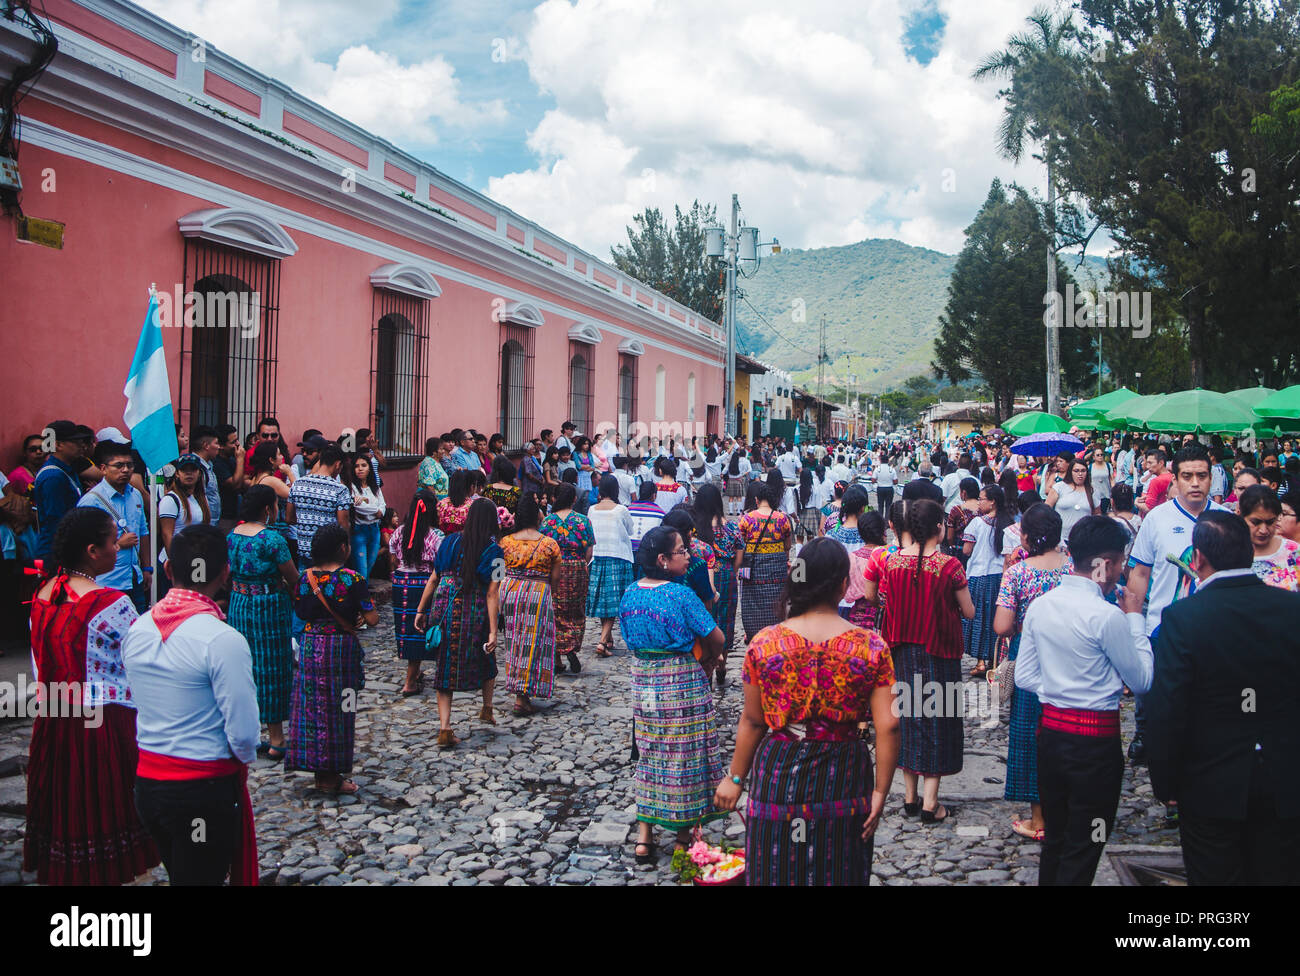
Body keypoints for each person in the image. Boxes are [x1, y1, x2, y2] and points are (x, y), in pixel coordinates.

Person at [714, 537, 898, 885]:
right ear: (844, 585)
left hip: (781, 769)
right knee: (840, 865)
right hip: (844, 769)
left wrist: (735, 779)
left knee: (776, 863)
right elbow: (888, 725)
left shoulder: (765, 644)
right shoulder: (871, 645)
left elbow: (753, 720)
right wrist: (880, 793)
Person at [1144, 510, 1300, 883]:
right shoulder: (1291, 609)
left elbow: (1168, 708)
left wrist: (1165, 781)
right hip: (1285, 776)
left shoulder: (1184, 617)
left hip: (1211, 782)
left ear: (1196, 559)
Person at [1015, 517, 1153, 885]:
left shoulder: (1042, 607)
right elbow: (1142, 681)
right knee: (1087, 841)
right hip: (1094, 745)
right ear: (1106, 565)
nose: (1123, 570)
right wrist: (1136, 620)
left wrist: (1058, 687)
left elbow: (1025, 676)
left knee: (1057, 836)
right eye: (1122, 562)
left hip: (1052, 738)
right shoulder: (1108, 617)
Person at [25, 507, 159, 884]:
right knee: (101, 797)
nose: (118, 547)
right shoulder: (111, 604)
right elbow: (141, 662)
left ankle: (70, 870)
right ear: (92, 551)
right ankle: (106, 872)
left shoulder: (43, 593)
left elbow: (40, 658)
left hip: (53, 714)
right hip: (102, 720)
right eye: (113, 541)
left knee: (64, 793)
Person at [125, 523, 260, 885]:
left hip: (149, 783)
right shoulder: (221, 639)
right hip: (201, 788)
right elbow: (245, 733)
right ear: (225, 573)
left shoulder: (137, 630)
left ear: (168, 570)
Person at [863, 499, 974, 824]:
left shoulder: (891, 564)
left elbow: (873, 596)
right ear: (938, 528)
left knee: (908, 720)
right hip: (939, 653)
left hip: (900, 653)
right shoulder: (950, 566)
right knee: (938, 721)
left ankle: (909, 798)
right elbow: (968, 611)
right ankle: (930, 802)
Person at [620, 526, 728, 862]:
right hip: (681, 683)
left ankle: (645, 836)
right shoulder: (681, 595)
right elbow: (718, 637)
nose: (688, 555)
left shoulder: (629, 594)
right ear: (663, 559)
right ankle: (683, 836)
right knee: (684, 754)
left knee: (650, 752)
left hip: (645, 684)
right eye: (681, 550)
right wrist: (711, 656)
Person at [1125, 443, 1226, 762]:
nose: (1195, 483)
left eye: (1201, 476)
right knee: (1159, 696)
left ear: (1211, 478)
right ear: (1176, 479)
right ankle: (1150, 738)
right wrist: (1134, 620)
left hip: (1214, 629)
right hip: (1163, 627)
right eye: (1187, 476)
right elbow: (1140, 573)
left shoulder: (1226, 520)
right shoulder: (1157, 519)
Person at [993, 504, 1071, 841]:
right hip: (1070, 654)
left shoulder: (1018, 572)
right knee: (1067, 726)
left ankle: (1038, 820)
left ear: (1025, 536)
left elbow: (1001, 625)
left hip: (1031, 654)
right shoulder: (1074, 569)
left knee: (1030, 731)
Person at [286, 525, 378, 793]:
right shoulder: (352, 580)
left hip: (311, 646)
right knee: (342, 709)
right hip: (340, 651)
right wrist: (359, 617)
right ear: (342, 549)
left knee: (313, 708)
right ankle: (333, 776)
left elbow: (301, 613)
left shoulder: (304, 579)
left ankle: (318, 772)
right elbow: (372, 618)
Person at [415, 498, 501, 745]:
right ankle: (487, 708)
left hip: (444, 605)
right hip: (474, 608)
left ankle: (445, 727)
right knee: (486, 654)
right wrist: (494, 630)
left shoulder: (447, 541)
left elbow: (433, 578)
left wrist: (421, 610)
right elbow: (493, 592)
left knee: (444, 662)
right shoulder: (495, 552)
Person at [224, 484, 298, 760]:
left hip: (239, 604)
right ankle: (277, 737)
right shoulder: (271, 540)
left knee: (245, 666)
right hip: (268, 606)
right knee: (272, 667)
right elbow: (292, 578)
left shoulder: (232, 536)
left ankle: (249, 733)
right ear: (268, 509)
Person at [499, 494, 562, 716]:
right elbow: (555, 578)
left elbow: (497, 574)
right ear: (538, 516)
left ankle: (519, 692)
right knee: (535, 642)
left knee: (515, 642)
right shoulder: (550, 545)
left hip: (511, 591)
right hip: (539, 592)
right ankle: (524, 693)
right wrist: (548, 595)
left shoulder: (505, 543)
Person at [77, 439, 151, 613]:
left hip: (134, 578)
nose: (125, 470)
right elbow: (83, 544)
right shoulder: (92, 500)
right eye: (118, 465)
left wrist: (147, 568)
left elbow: (143, 531)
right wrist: (118, 544)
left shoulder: (135, 495)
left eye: (129, 465)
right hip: (106, 582)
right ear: (103, 469)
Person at [389, 489, 444, 696]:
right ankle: (410, 682)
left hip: (401, 583)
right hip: (425, 585)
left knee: (407, 631)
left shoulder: (398, 532)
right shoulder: (436, 536)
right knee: (421, 629)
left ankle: (415, 672)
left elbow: (394, 559)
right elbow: (440, 566)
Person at [540, 483, 593, 676]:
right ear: (573, 499)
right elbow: (589, 550)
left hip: (555, 568)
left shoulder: (547, 522)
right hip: (577, 567)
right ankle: (571, 645)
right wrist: (580, 563)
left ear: (554, 498)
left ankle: (557, 657)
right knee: (576, 610)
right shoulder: (582, 521)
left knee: (555, 610)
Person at [693, 484, 742, 686]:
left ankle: (707, 665)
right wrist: (729, 569)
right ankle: (722, 665)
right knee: (726, 620)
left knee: (705, 619)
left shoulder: (696, 528)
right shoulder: (731, 527)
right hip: (727, 574)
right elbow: (739, 557)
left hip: (701, 574)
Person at [962, 484, 1012, 678]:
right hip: (1000, 575)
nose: (979, 502)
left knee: (979, 619)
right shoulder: (1009, 523)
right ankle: (994, 659)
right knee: (994, 618)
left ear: (992, 502)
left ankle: (981, 661)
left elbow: (967, 550)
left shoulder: (977, 524)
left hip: (979, 575)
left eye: (982, 499)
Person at [738, 482, 794, 644]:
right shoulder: (783, 519)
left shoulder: (746, 519)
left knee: (752, 602)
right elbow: (788, 546)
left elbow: (741, 545)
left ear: (757, 500)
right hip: (776, 568)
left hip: (753, 568)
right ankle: (777, 630)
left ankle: (753, 633)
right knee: (776, 599)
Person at [586, 474, 635, 656]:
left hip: (597, 556)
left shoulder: (591, 510)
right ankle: (602, 640)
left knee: (603, 599)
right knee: (614, 600)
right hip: (618, 556)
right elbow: (630, 530)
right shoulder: (621, 510)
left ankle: (607, 638)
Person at [286, 444, 351, 571]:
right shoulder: (340, 489)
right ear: (338, 464)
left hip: (304, 550)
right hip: (330, 554)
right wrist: (346, 547)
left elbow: (289, 518)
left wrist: (308, 521)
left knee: (307, 587)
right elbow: (343, 525)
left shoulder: (297, 484)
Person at [33, 420, 88, 559]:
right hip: (56, 552)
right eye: (75, 442)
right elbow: (56, 521)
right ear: (58, 445)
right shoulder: (53, 477)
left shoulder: (67, 470)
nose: (82, 445)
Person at [157, 454, 211, 584]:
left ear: (199, 474)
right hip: (176, 561)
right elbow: (166, 535)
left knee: (196, 599)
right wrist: (176, 565)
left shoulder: (201, 499)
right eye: (184, 470)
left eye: (193, 470)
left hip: (196, 561)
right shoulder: (170, 500)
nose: (189, 473)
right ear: (177, 474)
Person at [1236, 484, 1300, 591]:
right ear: (1241, 517)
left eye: (1270, 522)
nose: (1263, 530)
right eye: (1256, 522)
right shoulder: (1230, 551)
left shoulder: (1294, 552)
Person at [247, 440, 294, 557]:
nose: (282, 457)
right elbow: (297, 494)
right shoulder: (270, 480)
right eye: (279, 454)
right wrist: (290, 473)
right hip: (273, 530)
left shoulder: (256, 477)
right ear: (271, 460)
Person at [343, 453, 385, 579]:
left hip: (375, 531)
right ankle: (361, 598)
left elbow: (383, 507)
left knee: (370, 566)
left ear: (369, 468)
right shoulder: (351, 488)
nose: (360, 469)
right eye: (356, 466)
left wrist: (367, 502)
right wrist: (375, 510)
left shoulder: (375, 487)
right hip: (359, 531)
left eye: (363, 465)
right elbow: (359, 509)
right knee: (361, 571)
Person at [627, 480, 666, 559]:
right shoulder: (660, 513)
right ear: (654, 495)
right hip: (648, 553)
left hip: (628, 551)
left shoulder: (628, 510)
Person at [1137, 448, 1173, 514]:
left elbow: (1148, 508)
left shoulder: (1156, 481)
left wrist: (1136, 502)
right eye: (1147, 463)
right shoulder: (1172, 477)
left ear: (1161, 463)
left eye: (1150, 463)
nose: (1148, 467)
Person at [417, 436, 450, 501]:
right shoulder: (429, 463)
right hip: (431, 501)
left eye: (443, 449)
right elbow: (430, 486)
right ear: (434, 452)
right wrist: (436, 502)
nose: (443, 451)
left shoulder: (436, 462)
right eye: (441, 449)